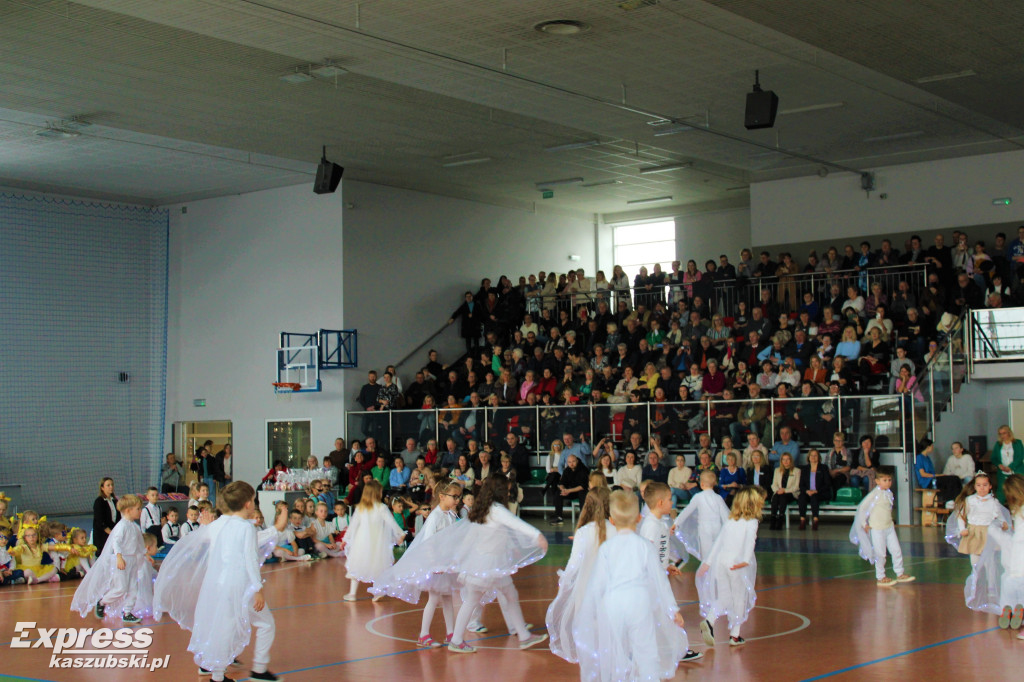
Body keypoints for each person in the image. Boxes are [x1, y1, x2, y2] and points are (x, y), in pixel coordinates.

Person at [154, 481, 282, 682]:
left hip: (219, 585)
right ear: (249, 504)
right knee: (266, 624)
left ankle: (217, 674)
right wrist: (257, 588)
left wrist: (205, 525)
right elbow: (249, 559)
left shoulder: (217, 524)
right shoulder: (246, 528)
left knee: (224, 627)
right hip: (240, 586)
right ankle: (258, 669)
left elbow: (208, 543)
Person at [574, 490, 689, 681]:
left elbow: (597, 583)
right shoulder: (644, 546)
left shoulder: (606, 548)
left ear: (612, 520)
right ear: (638, 518)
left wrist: (589, 610)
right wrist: (672, 609)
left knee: (616, 650)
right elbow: (659, 579)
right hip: (639, 602)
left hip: (614, 604)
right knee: (646, 650)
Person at [445, 475, 548, 653]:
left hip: (485, 564)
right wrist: (537, 535)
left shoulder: (481, 509)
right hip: (490, 566)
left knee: (503, 595)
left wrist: (460, 559)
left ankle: (522, 635)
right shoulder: (496, 509)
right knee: (486, 598)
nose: (508, 493)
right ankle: (457, 640)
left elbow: (472, 538)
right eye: (506, 490)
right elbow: (516, 524)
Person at [370, 482, 464, 647]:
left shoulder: (450, 515)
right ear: (442, 496)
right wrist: (434, 564)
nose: (457, 500)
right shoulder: (435, 516)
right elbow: (428, 542)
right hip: (437, 566)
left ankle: (451, 633)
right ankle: (424, 634)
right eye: (454, 496)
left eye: (459, 496)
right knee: (434, 598)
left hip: (445, 564)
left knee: (447, 597)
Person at [546, 488, 614, 664]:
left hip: (585, 591)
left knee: (589, 635)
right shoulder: (615, 529)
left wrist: (564, 583)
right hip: (611, 590)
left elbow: (573, 565)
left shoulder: (583, 532)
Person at [696, 486, 765, 647]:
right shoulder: (752, 522)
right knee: (739, 597)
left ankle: (710, 620)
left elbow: (718, 542)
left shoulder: (730, 520)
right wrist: (746, 560)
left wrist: (708, 563)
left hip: (721, 561)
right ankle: (735, 634)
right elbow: (750, 542)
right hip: (737, 564)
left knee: (725, 596)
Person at [70, 494, 148, 623]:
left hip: (132, 559)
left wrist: (144, 555)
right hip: (122, 560)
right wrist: (119, 557)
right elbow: (115, 542)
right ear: (128, 510)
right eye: (138, 509)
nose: (140, 511)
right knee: (121, 588)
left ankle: (127, 611)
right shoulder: (121, 526)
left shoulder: (135, 526)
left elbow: (139, 543)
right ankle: (102, 602)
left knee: (134, 587)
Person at [850, 467, 915, 587]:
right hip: (877, 529)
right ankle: (880, 576)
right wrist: (864, 524)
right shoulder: (874, 494)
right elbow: (862, 508)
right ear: (877, 481)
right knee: (880, 553)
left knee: (896, 550)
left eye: (889, 480)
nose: (888, 482)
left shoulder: (889, 493)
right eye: (884, 480)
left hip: (889, 527)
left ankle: (900, 573)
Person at [343, 481, 406, 601]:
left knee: (357, 565)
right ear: (376, 493)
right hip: (377, 542)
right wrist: (400, 533)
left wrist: (345, 539)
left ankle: (352, 594)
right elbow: (391, 522)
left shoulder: (361, 508)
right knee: (377, 565)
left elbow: (353, 525)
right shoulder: (381, 508)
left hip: (361, 542)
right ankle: (378, 591)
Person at [673, 470, 730, 562]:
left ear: (701, 484)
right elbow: (726, 515)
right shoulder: (718, 498)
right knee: (717, 551)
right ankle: (715, 571)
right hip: (717, 527)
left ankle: (706, 571)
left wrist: (676, 522)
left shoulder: (698, 496)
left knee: (706, 553)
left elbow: (687, 511)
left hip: (704, 528)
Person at [915, 438, 961, 505]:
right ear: (928, 447)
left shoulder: (927, 458)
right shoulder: (919, 458)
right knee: (950, 480)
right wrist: (937, 475)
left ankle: (958, 500)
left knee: (956, 478)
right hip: (927, 482)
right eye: (931, 446)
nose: (932, 447)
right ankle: (949, 501)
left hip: (933, 478)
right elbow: (923, 474)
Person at [798, 449, 831, 530]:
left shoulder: (823, 468)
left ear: (819, 457)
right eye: (811, 455)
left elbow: (827, 484)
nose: (813, 457)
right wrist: (807, 491)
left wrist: (816, 491)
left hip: (820, 492)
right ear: (808, 457)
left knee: (814, 497)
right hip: (808, 492)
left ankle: (815, 520)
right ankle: (802, 520)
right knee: (801, 497)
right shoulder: (805, 469)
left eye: (815, 455)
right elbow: (801, 485)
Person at [553, 454, 589, 525]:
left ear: (577, 461)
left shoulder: (583, 469)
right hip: (571, 491)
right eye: (569, 462)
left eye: (573, 461)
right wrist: (563, 490)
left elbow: (583, 486)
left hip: (581, 491)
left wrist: (568, 490)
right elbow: (562, 482)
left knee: (582, 493)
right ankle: (559, 517)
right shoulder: (567, 470)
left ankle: (583, 518)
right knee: (558, 493)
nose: (571, 464)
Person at [992, 425, 1024, 504]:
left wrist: (1011, 467)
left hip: (1016, 470)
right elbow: (993, 458)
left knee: (1018, 490)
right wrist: (999, 465)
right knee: (1001, 492)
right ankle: (1000, 509)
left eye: (1004, 433)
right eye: (1000, 434)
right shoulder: (998, 444)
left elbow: (1020, 456)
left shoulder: (1017, 442)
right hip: (1003, 472)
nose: (1002, 436)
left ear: (1009, 433)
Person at [768, 454, 800, 530]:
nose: (785, 461)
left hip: (791, 493)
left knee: (783, 496)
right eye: (783, 459)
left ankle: (781, 518)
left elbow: (796, 487)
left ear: (791, 460)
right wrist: (778, 490)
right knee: (776, 497)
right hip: (779, 492)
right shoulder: (777, 470)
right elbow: (774, 484)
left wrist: (784, 490)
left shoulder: (797, 471)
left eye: (787, 459)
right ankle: (773, 517)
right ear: (781, 461)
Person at [92, 477, 119, 555]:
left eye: (112, 485)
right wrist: (110, 533)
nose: (111, 487)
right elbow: (99, 520)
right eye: (108, 485)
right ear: (102, 488)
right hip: (102, 535)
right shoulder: (99, 501)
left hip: (113, 531)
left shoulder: (114, 500)